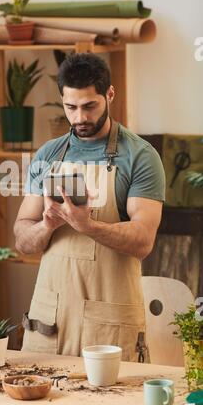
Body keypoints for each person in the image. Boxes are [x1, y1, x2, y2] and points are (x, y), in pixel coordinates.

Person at [14, 53, 165, 361]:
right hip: (49, 323)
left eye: (89, 106)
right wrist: (47, 226)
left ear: (109, 94)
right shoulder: (47, 155)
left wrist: (88, 226)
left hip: (108, 325)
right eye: (70, 107)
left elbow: (143, 240)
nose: (80, 117)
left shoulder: (140, 156)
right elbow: (22, 239)